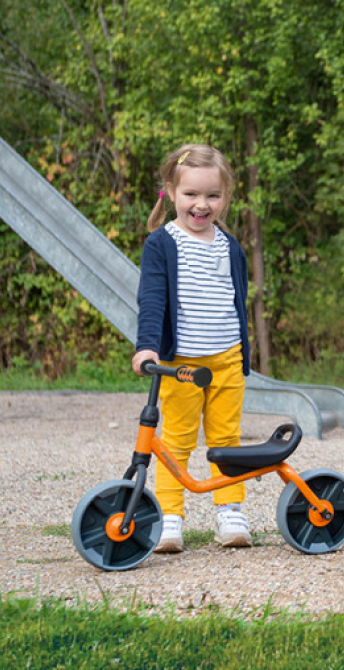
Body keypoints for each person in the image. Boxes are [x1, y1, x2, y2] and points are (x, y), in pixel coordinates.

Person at [132, 144, 253, 553]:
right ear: (171, 191)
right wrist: (148, 347)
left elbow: (237, 302)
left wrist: (243, 353)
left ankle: (230, 511)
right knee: (177, 439)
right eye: (191, 195)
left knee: (226, 438)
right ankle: (169, 517)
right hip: (180, 362)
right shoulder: (162, 244)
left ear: (225, 198)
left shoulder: (230, 247)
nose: (201, 205)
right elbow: (152, 300)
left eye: (212, 196)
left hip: (226, 358)